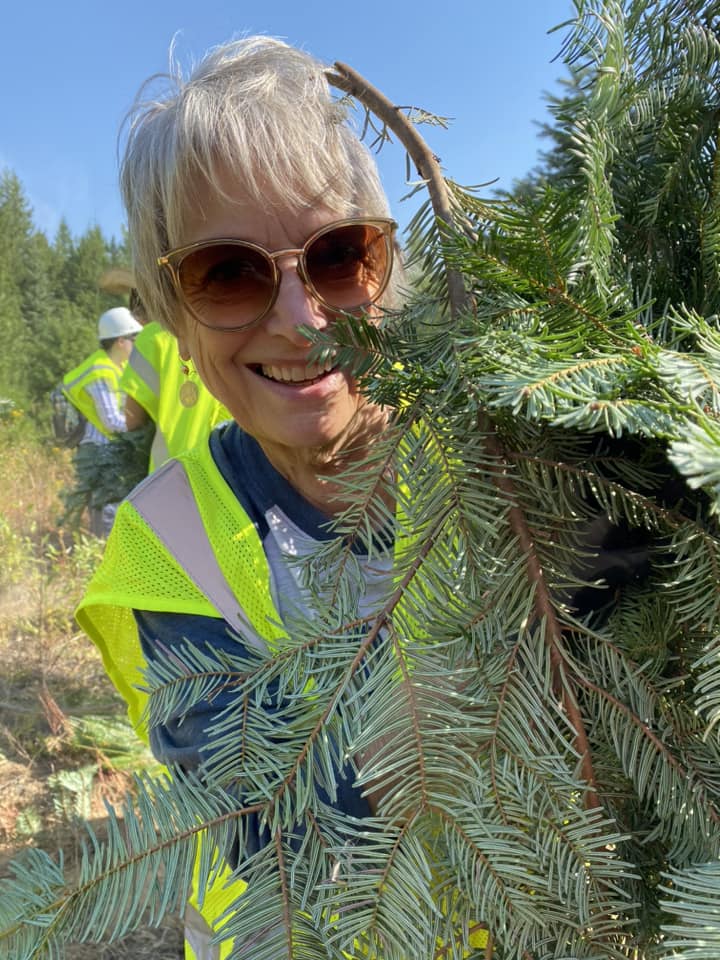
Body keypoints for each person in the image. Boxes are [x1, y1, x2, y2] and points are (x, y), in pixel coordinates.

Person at [75, 37, 486, 959]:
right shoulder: (167, 538)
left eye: (339, 255)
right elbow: (274, 814)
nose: (301, 319)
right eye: (228, 272)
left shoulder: (513, 465)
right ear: (173, 315)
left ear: (388, 268)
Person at [62, 305, 142, 536]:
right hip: (99, 449)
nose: (137, 344)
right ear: (120, 341)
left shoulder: (117, 366)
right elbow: (111, 421)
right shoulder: (99, 371)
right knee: (106, 506)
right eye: (134, 338)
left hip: (110, 446)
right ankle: (102, 552)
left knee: (113, 503)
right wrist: (143, 425)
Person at [121, 307, 230, 473]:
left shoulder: (152, 338)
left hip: (172, 474)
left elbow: (132, 419)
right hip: (237, 467)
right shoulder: (242, 326)